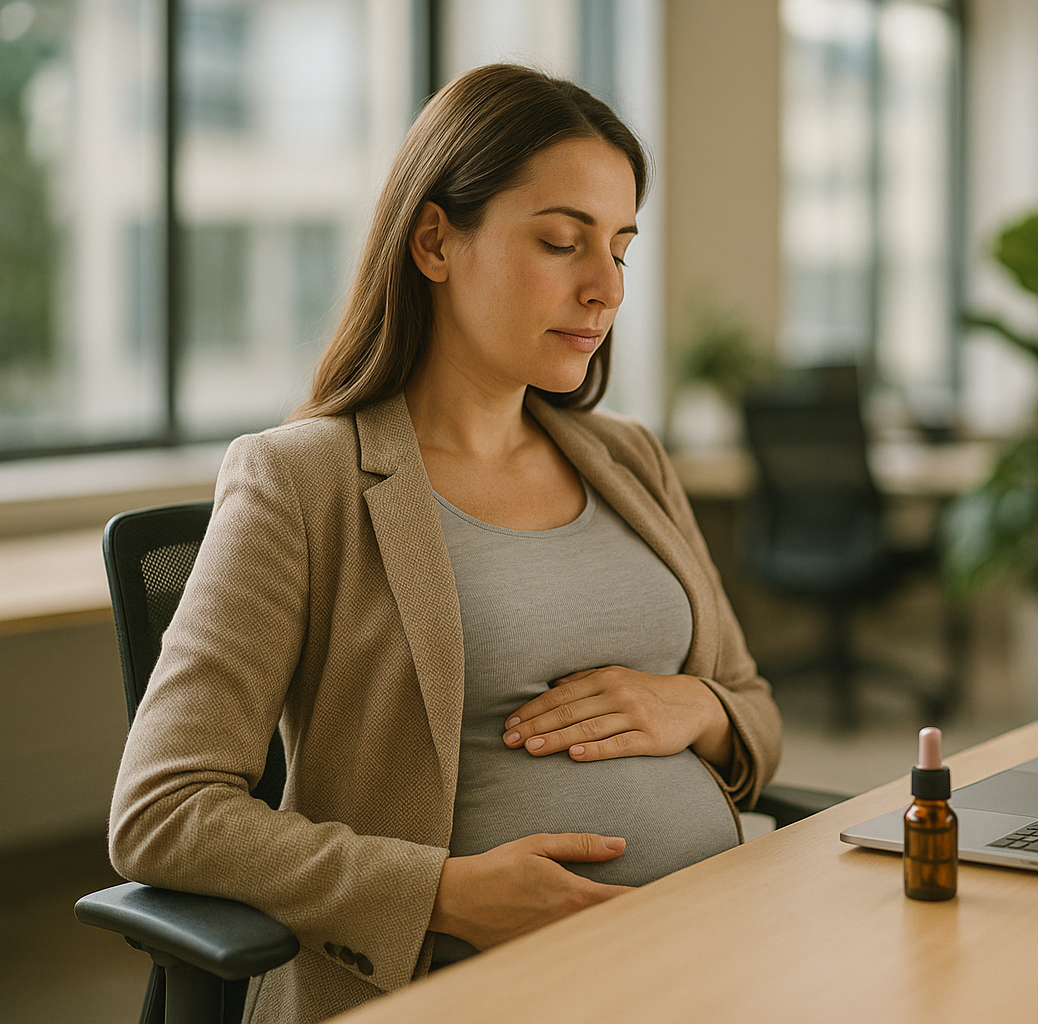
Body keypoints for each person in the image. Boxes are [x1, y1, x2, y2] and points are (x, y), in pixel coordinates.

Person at [108, 64, 782, 1024]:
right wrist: (441, 891)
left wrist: (697, 708)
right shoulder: (301, 482)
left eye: (622, 251)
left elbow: (755, 711)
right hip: (458, 986)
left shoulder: (629, 458)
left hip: (711, 946)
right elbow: (162, 811)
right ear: (434, 240)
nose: (605, 290)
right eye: (561, 242)